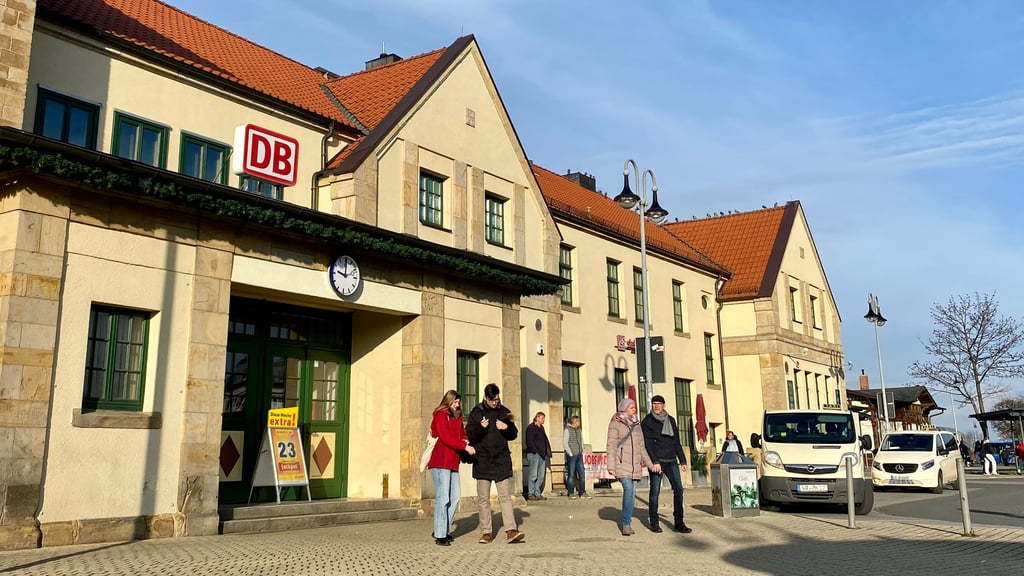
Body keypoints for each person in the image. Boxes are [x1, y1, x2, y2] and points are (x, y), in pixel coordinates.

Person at [466, 383, 526, 544]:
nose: (495, 403)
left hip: (501, 460)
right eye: (492, 400)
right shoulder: (476, 412)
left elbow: (514, 434)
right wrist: (480, 427)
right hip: (483, 460)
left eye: (497, 399)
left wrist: (506, 427)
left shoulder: (504, 411)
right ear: (486, 398)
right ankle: (486, 532)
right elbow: (469, 434)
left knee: (505, 496)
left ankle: (511, 530)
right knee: (483, 499)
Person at [426, 390, 475, 546]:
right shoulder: (441, 415)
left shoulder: (458, 417)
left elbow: (462, 432)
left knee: (454, 498)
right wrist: (464, 447)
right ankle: (440, 534)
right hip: (440, 461)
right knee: (443, 498)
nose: (457, 405)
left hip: (453, 462)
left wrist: (465, 440)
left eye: (458, 402)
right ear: (448, 401)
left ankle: (443, 529)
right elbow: (446, 437)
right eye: (455, 402)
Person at [641, 395, 692, 534]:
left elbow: (676, 442)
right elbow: (648, 444)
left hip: (671, 460)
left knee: (679, 490)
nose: (656, 406)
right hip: (657, 461)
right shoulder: (647, 421)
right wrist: (655, 461)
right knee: (655, 492)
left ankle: (679, 522)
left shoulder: (670, 420)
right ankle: (654, 522)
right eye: (654, 404)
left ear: (663, 405)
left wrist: (682, 460)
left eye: (659, 404)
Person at [607, 397, 657, 536]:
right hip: (621, 463)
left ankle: (626, 520)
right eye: (631, 407)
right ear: (624, 408)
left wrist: (650, 465)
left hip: (635, 465)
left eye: (634, 407)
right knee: (628, 490)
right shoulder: (615, 423)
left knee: (632, 494)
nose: (634, 409)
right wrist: (611, 466)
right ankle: (626, 524)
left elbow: (641, 447)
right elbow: (611, 445)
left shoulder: (637, 424)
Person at [525, 412, 552, 500]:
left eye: (544, 418)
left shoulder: (541, 428)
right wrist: (535, 451)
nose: (543, 420)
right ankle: (531, 493)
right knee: (533, 475)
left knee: (541, 475)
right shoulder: (531, 428)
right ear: (537, 418)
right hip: (534, 454)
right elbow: (529, 441)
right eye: (542, 418)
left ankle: (537, 492)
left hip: (542, 454)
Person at [563, 415, 590, 499]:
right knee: (571, 474)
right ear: (574, 422)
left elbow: (581, 440)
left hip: (579, 455)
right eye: (578, 421)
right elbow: (565, 443)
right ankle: (570, 493)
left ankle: (582, 492)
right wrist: (570, 453)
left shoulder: (579, 430)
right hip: (572, 455)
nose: (579, 422)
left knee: (582, 474)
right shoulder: (567, 430)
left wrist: (582, 450)